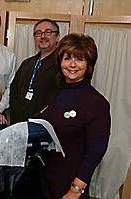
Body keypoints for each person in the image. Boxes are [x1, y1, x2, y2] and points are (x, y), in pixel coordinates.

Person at [37, 33, 111, 198]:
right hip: (43, 179)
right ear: (60, 61)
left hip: (69, 185)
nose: (72, 64)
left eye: (79, 59)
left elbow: (95, 152)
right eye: (67, 58)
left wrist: (75, 190)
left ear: (88, 64)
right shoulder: (54, 94)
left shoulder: (96, 103)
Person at [10, 18, 60, 124]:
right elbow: (14, 92)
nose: (43, 36)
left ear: (57, 37)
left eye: (48, 32)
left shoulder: (61, 65)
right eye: (38, 33)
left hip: (46, 126)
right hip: (20, 125)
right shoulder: (26, 64)